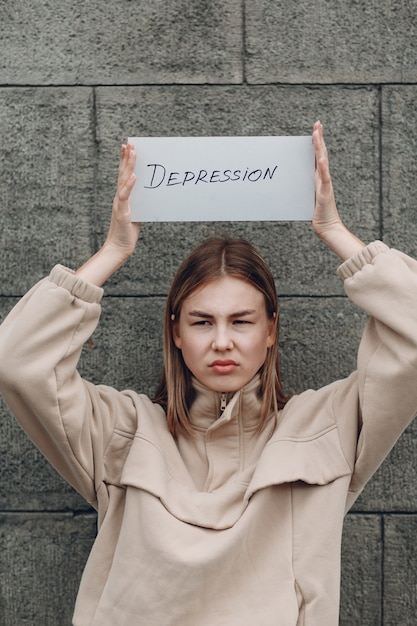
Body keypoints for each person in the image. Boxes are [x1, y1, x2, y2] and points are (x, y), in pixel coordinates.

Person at [0, 121, 416, 626]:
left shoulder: (327, 426)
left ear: (270, 331)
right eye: (202, 321)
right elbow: (18, 361)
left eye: (241, 321)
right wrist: (112, 251)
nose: (222, 340)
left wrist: (336, 233)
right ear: (176, 332)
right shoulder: (120, 432)